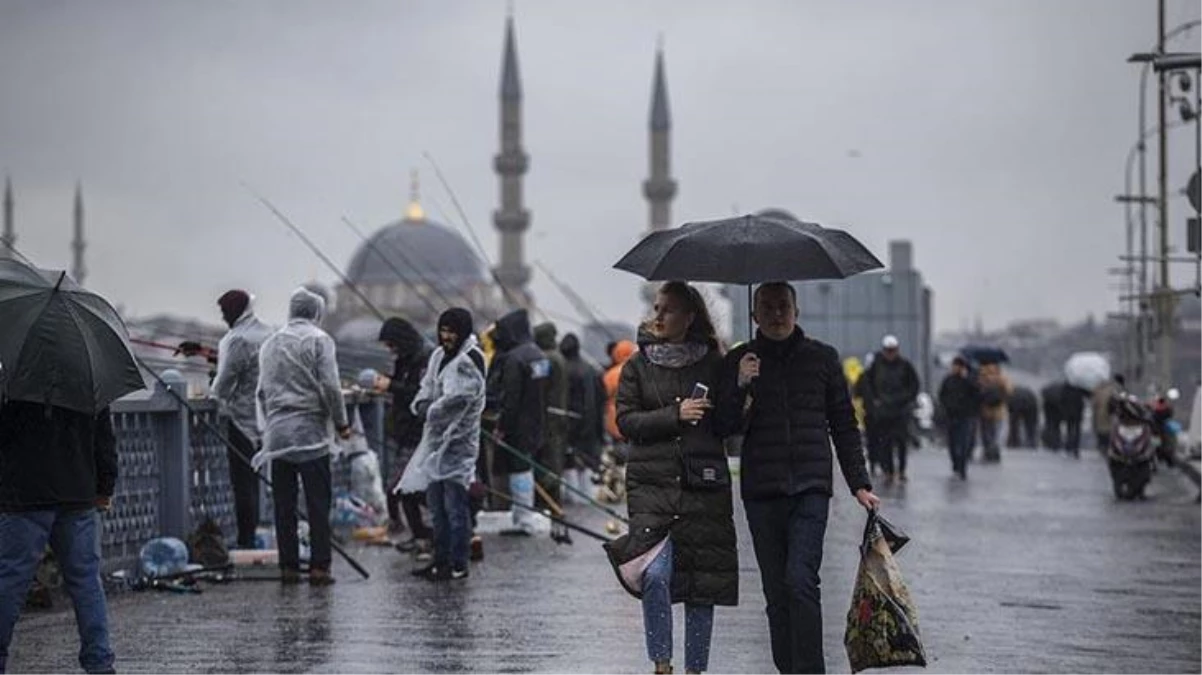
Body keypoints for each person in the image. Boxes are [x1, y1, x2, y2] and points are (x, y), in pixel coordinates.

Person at [714, 281, 880, 675]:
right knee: (776, 593)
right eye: (767, 307)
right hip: (761, 491)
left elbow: (843, 423)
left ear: (796, 312)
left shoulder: (822, 359)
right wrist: (739, 385)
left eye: (783, 306)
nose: (776, 314)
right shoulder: (740, 361)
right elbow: (723, 426)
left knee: (800, 581)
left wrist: (860, 483)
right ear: (754, 315)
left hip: (810, 487)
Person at [604, 281, 737, 675]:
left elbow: (730, 424)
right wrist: (673, 416)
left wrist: (742, 385)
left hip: (703, 485)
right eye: (657, 308)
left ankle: (696, 669)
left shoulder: (715, 364)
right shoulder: (637, 366)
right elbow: (626, 421)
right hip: (651, 485)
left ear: (690, 317)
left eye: (669, 310)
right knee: (656, 575)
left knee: (701, 585)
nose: (658, 316)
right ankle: (662, 664)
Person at [0, 401, 117, 675]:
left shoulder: (14, 378)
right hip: (78, 494)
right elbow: (104, 441)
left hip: (24, 495)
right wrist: (105, 487)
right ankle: (99, 662)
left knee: (10, 582)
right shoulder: (89, 377)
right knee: (86, 582)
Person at [253, 287, 350, 586]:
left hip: (279, 437)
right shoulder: (320, 341)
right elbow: (331, 388)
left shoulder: (270, 343)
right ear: (316, 312)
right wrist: (341, 422)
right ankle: (320, 567)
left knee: (284, 505)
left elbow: (261, 392)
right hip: (312, 435)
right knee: (317, 503)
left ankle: (289, 568)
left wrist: (270, 426)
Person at [410, 308, 487, 581]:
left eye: (452, 331)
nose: (446, 337)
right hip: (435, 444)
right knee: (437, 507)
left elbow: (457, 399)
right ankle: (440, 560)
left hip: (457, 446)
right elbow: (428, 386)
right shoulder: (439, 356)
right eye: (443, 330)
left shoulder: (469, 360)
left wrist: (429, 410)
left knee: (455, 508)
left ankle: (458, 562)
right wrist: (421, 402)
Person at [210, 289, 273, 549]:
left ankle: (246, 541)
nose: (224, 318)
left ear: (235, 311)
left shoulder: (237, 340)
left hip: (242, 422)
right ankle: (258, 535)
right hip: (267, 420)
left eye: (225, 312)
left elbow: (223, 386)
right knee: (259, 483)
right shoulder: (267, 333)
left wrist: (213, 385)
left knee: (243, 485)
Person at [373, 317, 434, 558]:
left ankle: (440, 527)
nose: (390, 350)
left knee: (402, 486)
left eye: (391, 344)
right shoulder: (406, 358)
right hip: (405, 431)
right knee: (405, 487)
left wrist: (390, 386)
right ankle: (420, 536)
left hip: (418, 433)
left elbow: (420, 394)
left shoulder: (424, 358)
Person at [484, 309, 549, 536]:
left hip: (518, 424)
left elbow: (511, 399)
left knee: (518, 469)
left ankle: (523, 519)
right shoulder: (537, 354)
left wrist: (502, 427)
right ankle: (524, 515)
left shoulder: (514, 359)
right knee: (526, 467)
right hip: (536, 420)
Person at [859, 335, 920, 484]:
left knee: (901, 442)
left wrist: (906, 400)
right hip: (884, 411)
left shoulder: (905, 366)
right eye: (888, 350)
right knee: (885, 442)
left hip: (901, 410)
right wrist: (875, 402)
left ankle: (902, 470)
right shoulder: (877, 366)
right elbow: (867, 385)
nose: (890, 354)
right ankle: (888, 470)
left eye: (893, 350)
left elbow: (914, 385)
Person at [560, 333, 606, 505]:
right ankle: (585, 499)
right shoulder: (590, 369)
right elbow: (597, 399)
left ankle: (573, 498)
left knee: (569, 463)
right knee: (586, 463)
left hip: (568, 422)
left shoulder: (563, 368)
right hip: (589, 423)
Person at [533, 322, 569, 513]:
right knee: (556, 458)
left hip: (547, 417)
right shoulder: (558, 357)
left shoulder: (546, 359)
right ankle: (554, 500)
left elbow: (538, 387)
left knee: (548, 459)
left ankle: (549, 502)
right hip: (558, 415)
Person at [938, 356, 981, 479]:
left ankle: (962, 467)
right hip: (951, 415)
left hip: (965, 416)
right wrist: (945, 407)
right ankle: (956, 464)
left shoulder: (969, 380)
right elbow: (942, 394)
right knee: (952, 442)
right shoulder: (948, 380)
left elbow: (977, 394)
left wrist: (967, 379)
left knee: (963, 443)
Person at [977, 363, 1011, 462]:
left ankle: (987, 452)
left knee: (986, 433)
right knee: (996, 433)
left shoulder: (981, 377)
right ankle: (995, 452)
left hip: (985, 410)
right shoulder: (1001, 378)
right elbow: (1010, 391)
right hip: (999, 411)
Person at [1093, 374, 1125, 450]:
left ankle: (1102, 445)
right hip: (1108, 414)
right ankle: (1107, 446)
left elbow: (1094, 403)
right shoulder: (1112, 390)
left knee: (1102, 431)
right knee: (1108, 431)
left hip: (1102, 414)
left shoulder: (1098, 390)